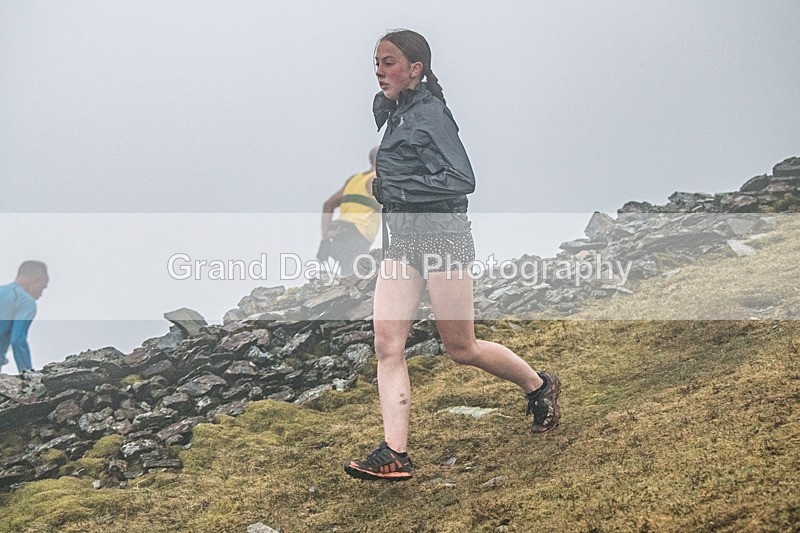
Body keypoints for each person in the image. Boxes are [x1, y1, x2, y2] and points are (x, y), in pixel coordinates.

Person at [344, 30, 561, 481]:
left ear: (415, 68)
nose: (379, 70)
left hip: (444, 240)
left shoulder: (432, 115)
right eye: (376, 62)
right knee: (387, 344)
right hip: (401, 242)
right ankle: (394, 453)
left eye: (389, 62)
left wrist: (393, 188)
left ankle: (539, 385)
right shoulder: (398, 112)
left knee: (461, 348)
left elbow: (462, 179)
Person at [317, 147, 382, 276]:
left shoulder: (354, 179)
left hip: (337, 234)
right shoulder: (375, 179)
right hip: (357, 235)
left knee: (347, 271)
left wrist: (324, 240)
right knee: (355, 274)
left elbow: (328, 205)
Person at [0, 261, 49, 373]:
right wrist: (28, 375)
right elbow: (18, 340)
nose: (41, 294)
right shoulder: (25, 302)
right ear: (37, 280)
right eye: (43, 287)